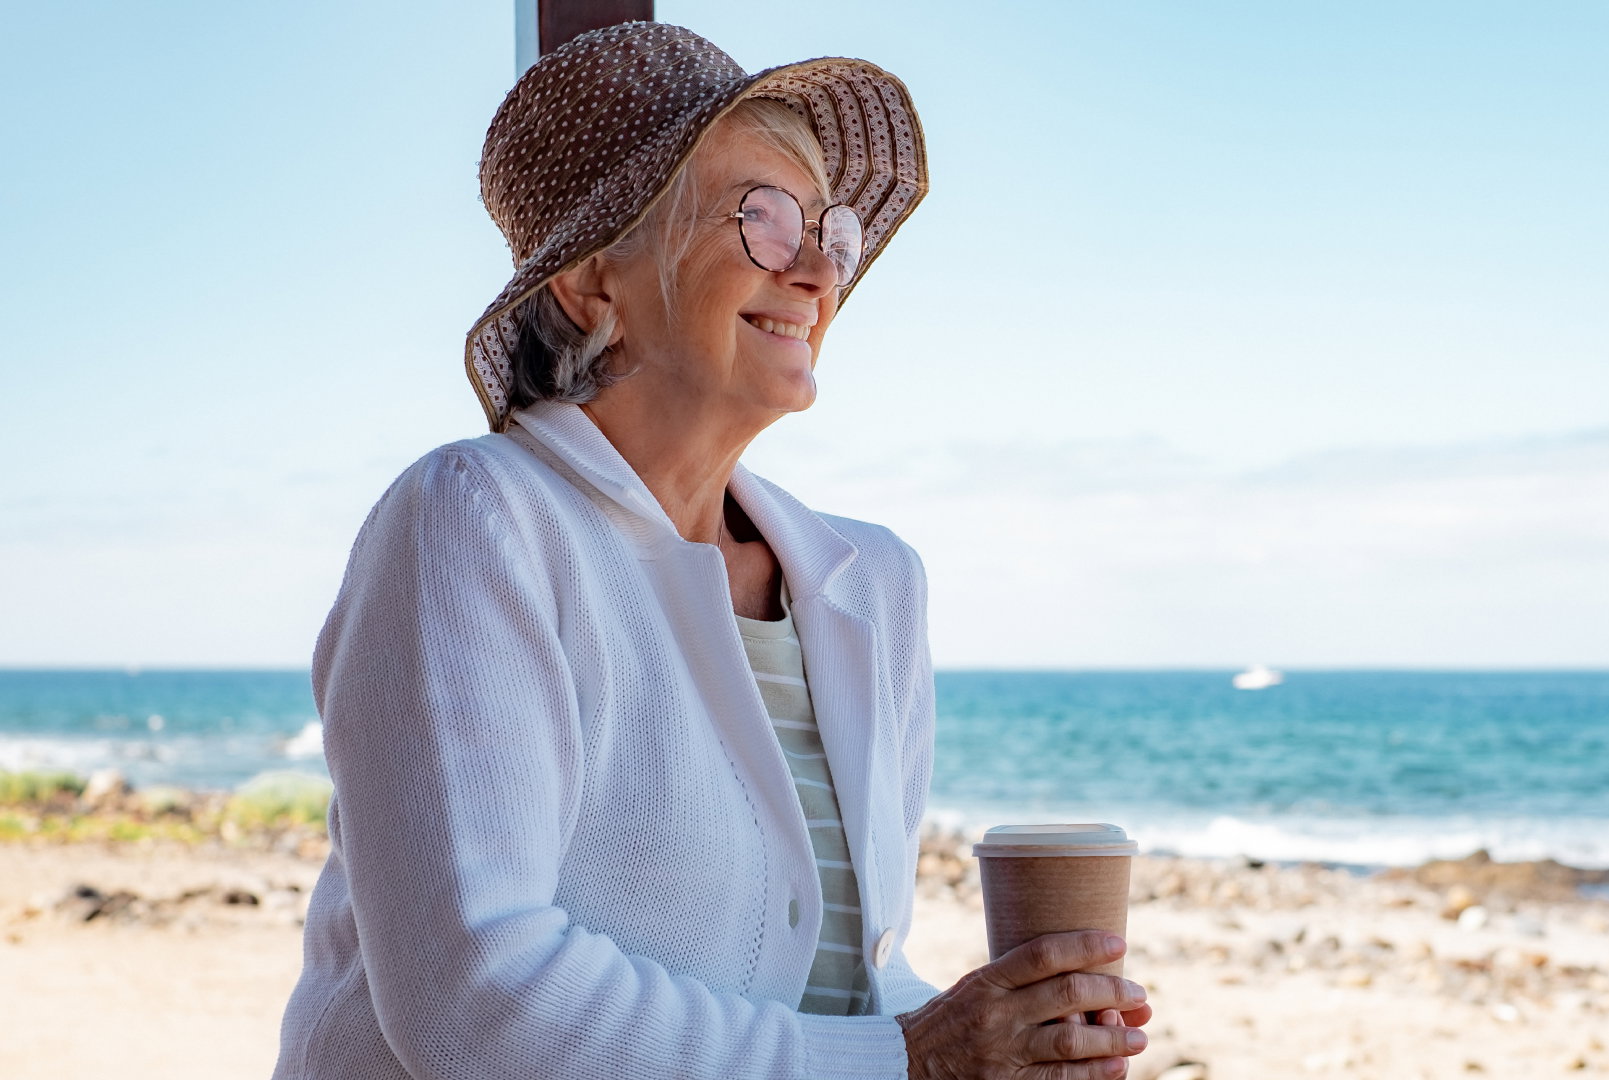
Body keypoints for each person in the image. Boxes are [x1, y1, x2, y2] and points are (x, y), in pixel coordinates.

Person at [271, 22, 1151, 1080]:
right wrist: (914, 1059)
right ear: (594, 285)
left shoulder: (872, 586)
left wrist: (1008, 1035)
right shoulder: (478, 519)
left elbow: (843, 992)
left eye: (830, 230)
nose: (822, 268)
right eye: (765, 219)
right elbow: (478, 997)